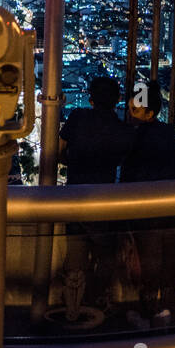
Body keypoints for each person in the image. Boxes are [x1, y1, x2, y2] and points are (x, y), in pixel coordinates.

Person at [59, 75, 135, 321]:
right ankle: (98, 305)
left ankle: (72, 311)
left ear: (90, 97)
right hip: (105, 202)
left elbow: (58, 150)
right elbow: (127, 166)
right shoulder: (124, 131)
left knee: (74, 261)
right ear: (118, 100)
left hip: (75, 198)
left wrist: (71, 162)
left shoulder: (77, 118)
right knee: (106, 257)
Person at [120, 83, 175, 328]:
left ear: (149, 113)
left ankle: (148, 316)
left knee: (149, 266)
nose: (130, 114)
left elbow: (129, 178)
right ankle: (167, 312)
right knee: (171, 262)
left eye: (135, 110)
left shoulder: (134, 137)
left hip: (149, 213)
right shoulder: (168, 132)